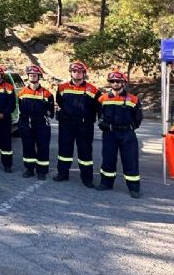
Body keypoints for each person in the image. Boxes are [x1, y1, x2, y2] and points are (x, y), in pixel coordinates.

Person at [96, 70, 143, 198]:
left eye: (118, 81)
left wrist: (129, 128)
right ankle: (106, 183)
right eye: (112, 81)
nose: (115, 83)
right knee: (108, 159)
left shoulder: (133, 99)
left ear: (123, 83)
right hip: (109, 133)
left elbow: (138, 117)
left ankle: (134, 188)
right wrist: (104, 125)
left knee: (130, 160)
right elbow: (100, 116)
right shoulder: (103, 98)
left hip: (127, 134)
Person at [54, 61, 100, 188]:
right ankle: (62, 174)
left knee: (85, 152)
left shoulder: (93, 90)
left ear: (84, 73)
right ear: (71, 73)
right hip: (66, 124)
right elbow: (59, 102)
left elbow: (99, 108)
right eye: (74, 71)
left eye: (79, 72)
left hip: (84, 126)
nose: (76, 74)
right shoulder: (62, 87)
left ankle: (87, 178)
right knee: (64, 150)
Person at [17, 65, 54, 180]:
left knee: (43, 148)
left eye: (35, 75)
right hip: (26, 124)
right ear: (28, 77)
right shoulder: (21, 93)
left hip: (42, 125)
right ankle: (29, 169)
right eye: (31, 75)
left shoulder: (47, 94)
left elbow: (51, 113)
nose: (33, 77)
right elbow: (20, 110)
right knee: (28, 147)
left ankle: (42, 171)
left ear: (39, 76)